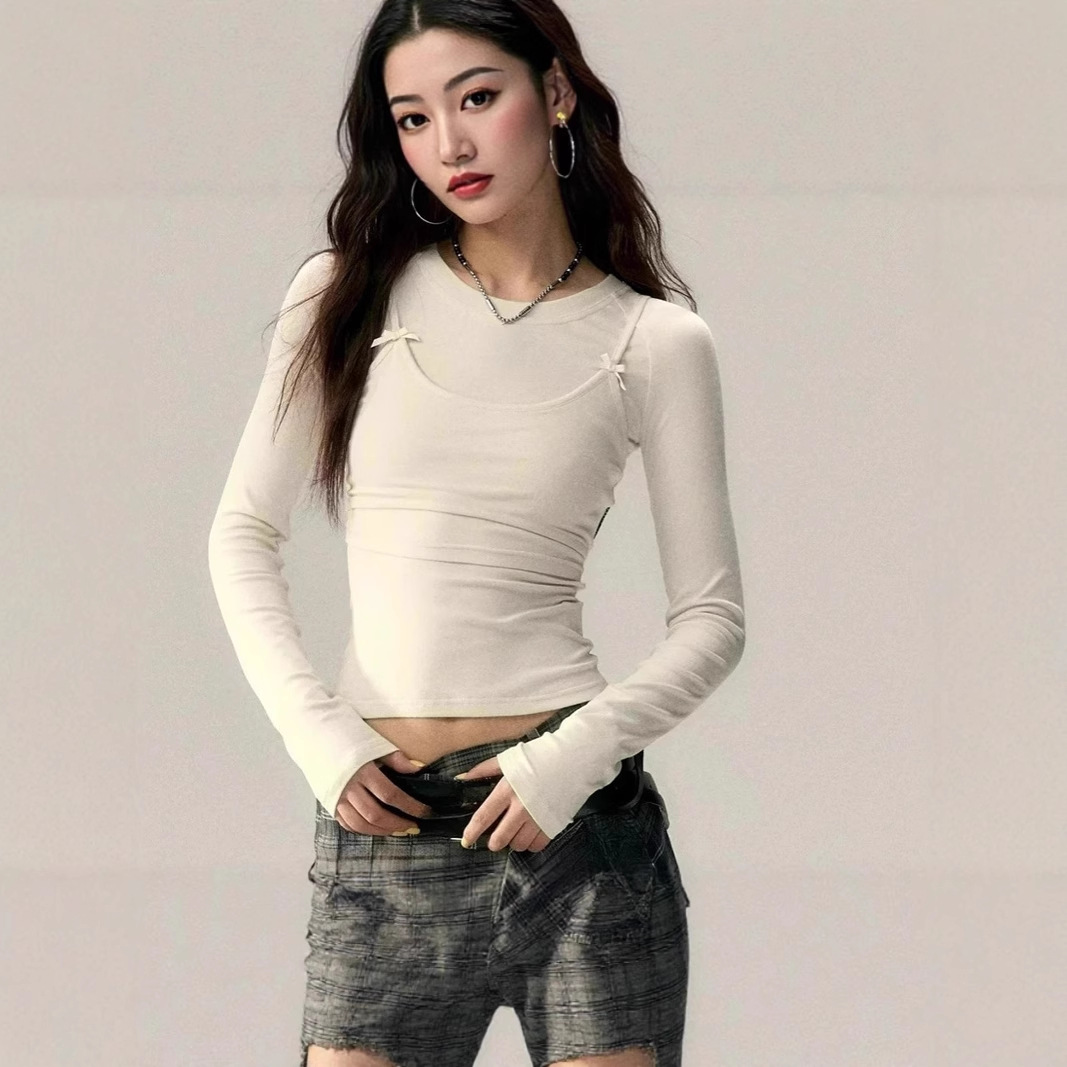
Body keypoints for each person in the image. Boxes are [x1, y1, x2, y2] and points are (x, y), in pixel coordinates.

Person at [207, 2, 745, 1065]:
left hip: (575, 834)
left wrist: (569, 760)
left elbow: (713, 620)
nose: (448, 143)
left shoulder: (652, 340)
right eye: (413, 117)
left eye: (477, 97)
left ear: (555, 92)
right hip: (385, 822)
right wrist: (319, 736)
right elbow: (241, 532)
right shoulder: (345, 294)